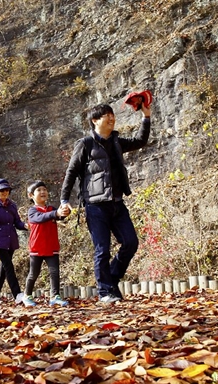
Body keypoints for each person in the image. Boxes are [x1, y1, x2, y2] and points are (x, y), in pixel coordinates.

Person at [60, 101, 152, 303]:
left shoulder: (117, 141)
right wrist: (64, 200)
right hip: (95, 205)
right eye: (106, 115)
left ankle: (111, 278)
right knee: (102, 249)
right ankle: (105, 292)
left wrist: (146, 117)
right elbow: (71, 172)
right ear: (95, 121)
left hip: (117, 203)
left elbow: (140, 141)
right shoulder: (85, 144)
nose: (111, 118)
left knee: (131, 242)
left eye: (112, 115)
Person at [24, 181, 70, 307]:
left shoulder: (51, 209)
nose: (43, 192)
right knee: (33, 274)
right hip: (37, 248)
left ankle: (55, 296)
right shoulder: (32, 211)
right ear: (31, 195)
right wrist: (55, 214)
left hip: (52, 246)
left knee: (54, 272)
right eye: (39, 190)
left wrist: (64, 212)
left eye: (44, 189)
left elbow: (60, 217)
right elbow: (39, 218)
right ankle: (27, 295)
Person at [0, 178, 28, 305]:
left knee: (4, 267)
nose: (4, 193)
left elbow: (17, 222)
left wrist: (25, 225)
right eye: (1, 191)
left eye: (6, 190)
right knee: (9, 266)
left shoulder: (12, 205)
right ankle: (17, 294)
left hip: (11, 240)